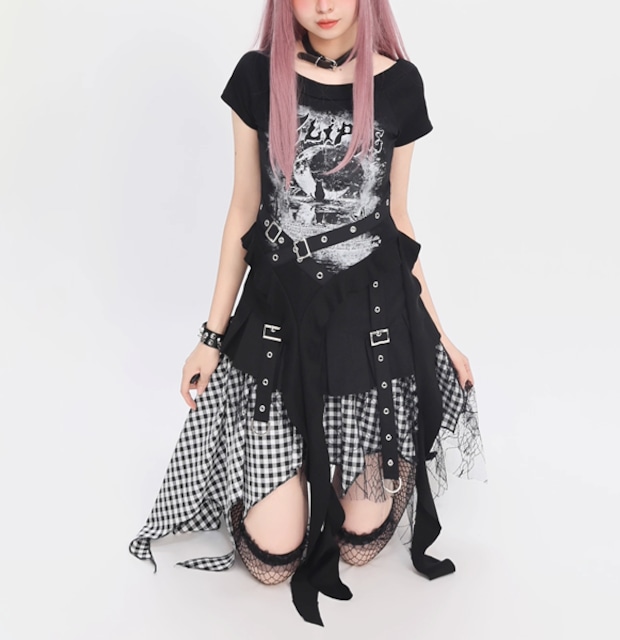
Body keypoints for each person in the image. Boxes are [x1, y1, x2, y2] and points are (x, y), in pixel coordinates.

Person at [129, 0, 487, 626]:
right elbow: (243, 210)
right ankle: (285, 474)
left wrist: (442, 335)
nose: (324, 5)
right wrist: (211, 337)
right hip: (280, 325)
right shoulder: (257, 76)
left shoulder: (399, 84)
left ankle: (352, 466)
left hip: (371, 330)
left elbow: (398, 221)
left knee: (361, 544)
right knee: (275, 561)